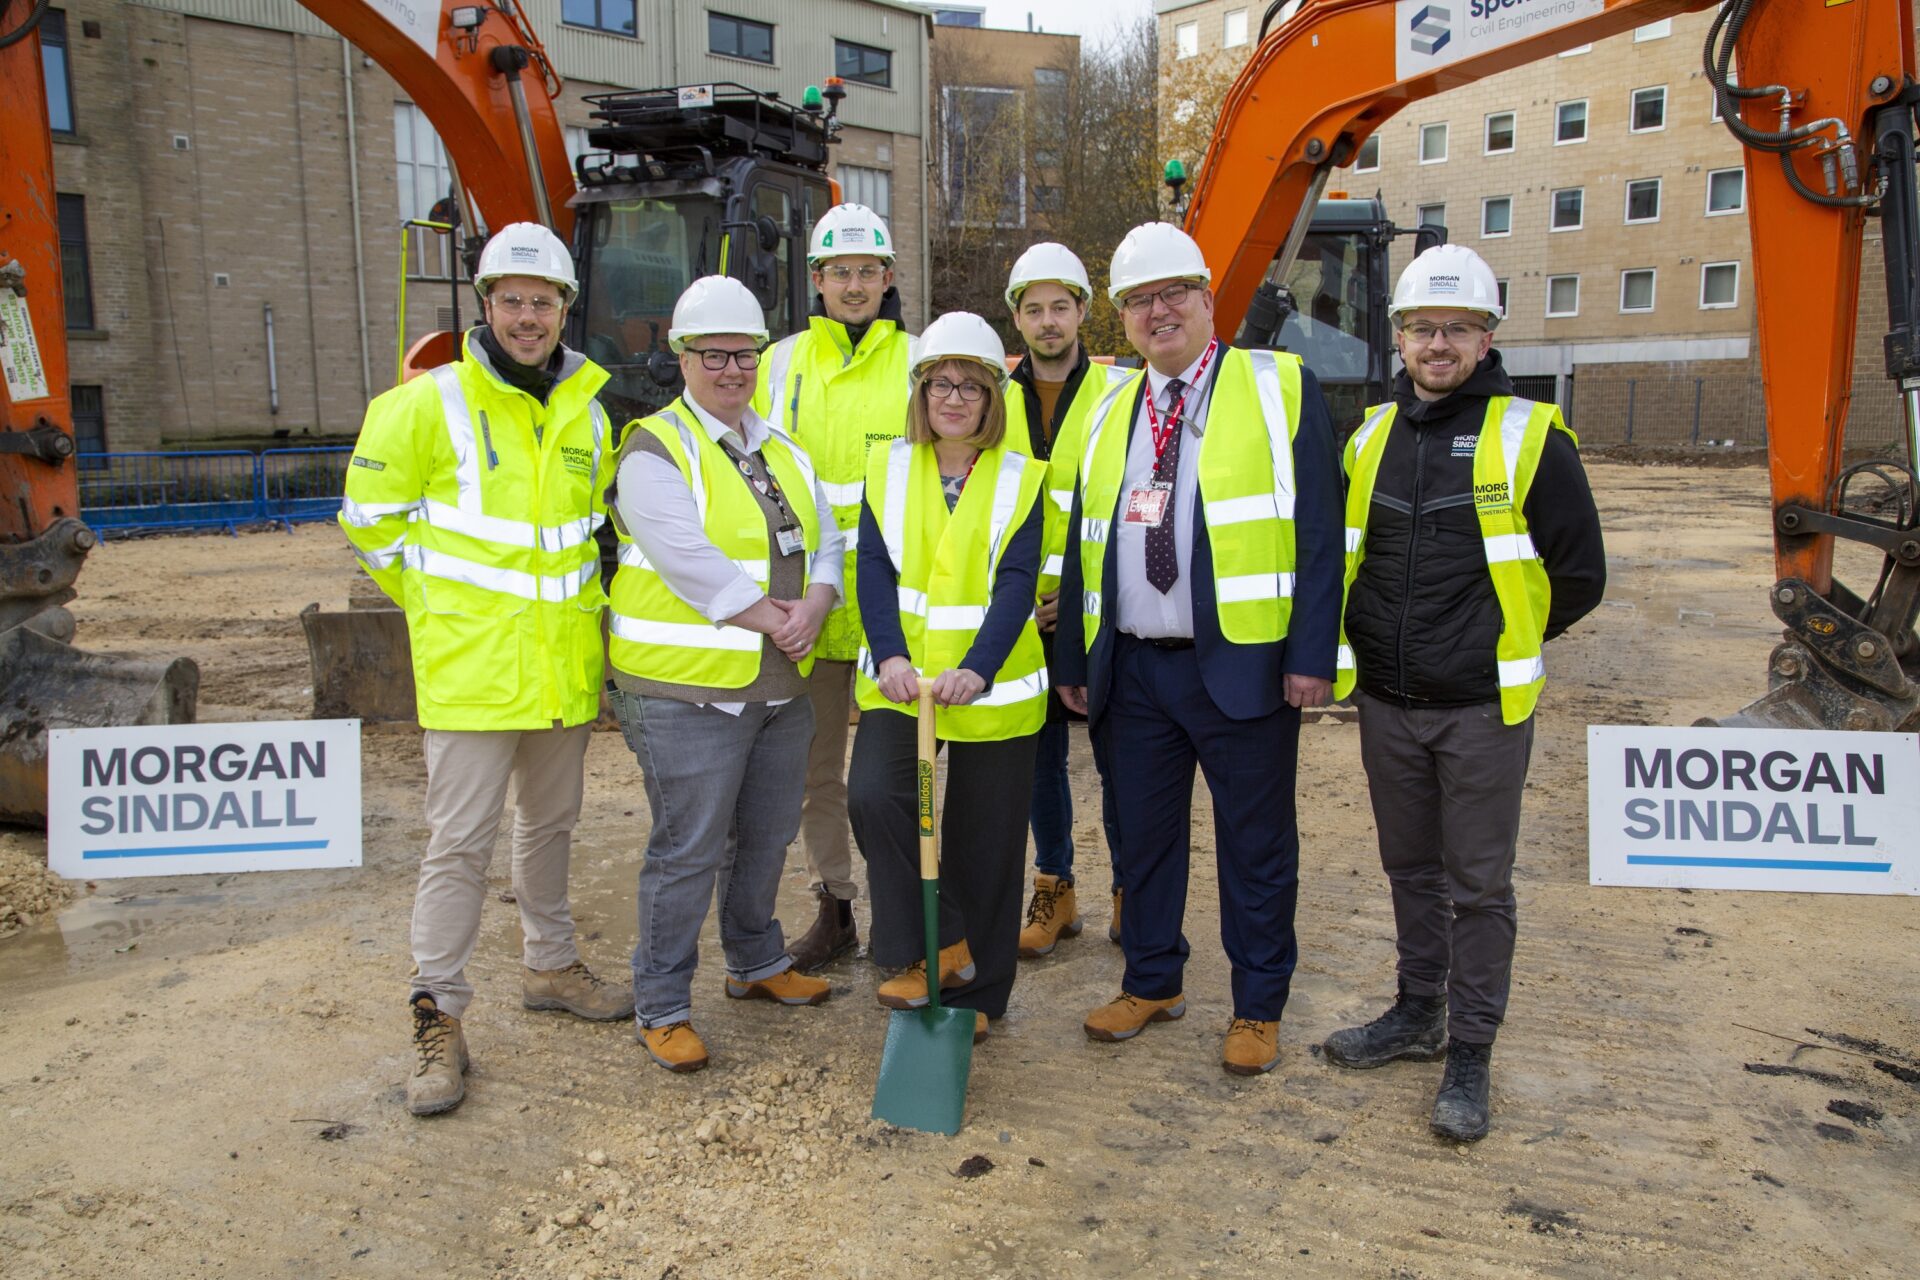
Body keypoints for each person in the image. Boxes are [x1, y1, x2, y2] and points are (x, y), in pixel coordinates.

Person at [340, 222, 632, 1118]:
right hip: (471, 672)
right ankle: (438, 1012)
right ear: (486, 304)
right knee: (458, 846)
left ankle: (549, 966)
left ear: (564, 310)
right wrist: (439, 605)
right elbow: (368, 520)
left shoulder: (588, 408)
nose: (528, 316)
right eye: (512, 299)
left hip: (559, 671)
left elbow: (594, 538)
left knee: (550, 828)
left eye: (544, 302)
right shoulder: (426, 405)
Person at [1323, 244, 1605, 1141]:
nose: (1436, 344)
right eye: (1420, 328)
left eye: (1456, 328)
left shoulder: (1531, 436)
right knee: (1410, 871)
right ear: (1398, 337)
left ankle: (1470, 1053)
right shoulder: (1367, 437)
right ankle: (1417, 1013)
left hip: (1481, 709)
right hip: (1389, 704)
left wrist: (1500, 640)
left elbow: (1581, 573)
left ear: (1487, 338)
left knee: (1478, 885)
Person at [1054, 222, 1343, 1076]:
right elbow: (1085, 537)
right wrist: (1075, 658)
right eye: (1140, 300)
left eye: (1174, 291)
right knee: (1142, 838)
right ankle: (1152, 978)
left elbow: (1321, 530)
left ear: (1210, 297)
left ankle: (1258, 1005)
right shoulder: (1106, 404)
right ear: (1122, 318)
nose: (1159, 311)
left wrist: (1311, 655)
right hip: (1134, 667)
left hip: (1245, 664)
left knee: (1256, 846)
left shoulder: (1277, 384)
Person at [604, 277, 842, 1072]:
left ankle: (756, 962)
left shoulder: (783, 449)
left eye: (745, 354)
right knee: (688, 849)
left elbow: (830, 540)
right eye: (715, 355)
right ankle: (663, 1003)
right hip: (685, 695)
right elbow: (688, 561)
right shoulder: (654, 448)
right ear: (683, 357)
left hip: (777, 688)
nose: (732, 369)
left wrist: (817, 601)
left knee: (767, 838)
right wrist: (782, 619)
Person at [847, 313, 1050, 1045]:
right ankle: (931, 948)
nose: (955, 397)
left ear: (994, 396)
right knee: (875, 796)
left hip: (991, 687)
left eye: (972, 384)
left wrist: (979, 667)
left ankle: (979, 999)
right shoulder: (889, 468)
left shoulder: (1023, 478)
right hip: (904, 683)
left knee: (985, 843)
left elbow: (1018, 582)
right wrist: (890, 655)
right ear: (922, 391)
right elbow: (872, 569)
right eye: (942, 383)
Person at [753, 203, 915, 972]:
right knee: (817, 770)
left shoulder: (919, 363)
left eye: (867, 272)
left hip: (896, 607)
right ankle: (837, 904)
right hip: (806, 604)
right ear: (816, 280)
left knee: (896, 776)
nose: (854, 286)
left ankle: (906, 912)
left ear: (888, 279)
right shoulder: (777, 366)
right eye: (839, 272)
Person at [1000, 243, 1127, 960]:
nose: (1048, 322)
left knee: (1119, 760)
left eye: (1060, 306)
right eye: (1033, 308)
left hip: (1099, 614)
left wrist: (1076, 599)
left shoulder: (1120, 392)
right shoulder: (992, 398)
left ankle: (1130, 887)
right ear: (1016, 318)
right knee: (1038, 761)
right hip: (1023, 615)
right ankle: (1056, 884)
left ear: (1083, 310)